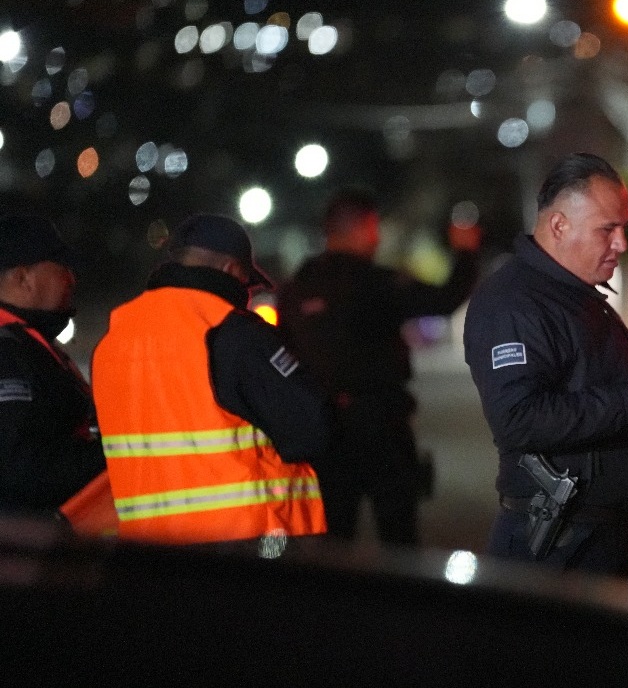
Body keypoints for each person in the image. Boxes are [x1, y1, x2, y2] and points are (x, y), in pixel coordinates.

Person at [463, 152, 628, 577]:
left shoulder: (580, 297)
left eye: (623, 228)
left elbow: (607, 406)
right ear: (559, 225)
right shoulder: (514, 303)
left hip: (603, 536)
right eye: (607, 229)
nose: (622, 243)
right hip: (557, 545)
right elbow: (518, 419)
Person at [92, 213, 329, 553]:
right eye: (247, 285)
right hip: (244, 546)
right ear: (233, 272)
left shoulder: (114, 339)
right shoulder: (233, 332)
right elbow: (310, 429)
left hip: (149, 550)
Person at [277, 188, 479, 547]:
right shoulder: (375, 283)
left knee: (333, 537)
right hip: (381, 423)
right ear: (361, 229)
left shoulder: (296, 288)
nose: (378, 238)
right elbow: (445, 299)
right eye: (373, 229)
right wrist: (465, 251)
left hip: (322, 429)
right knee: (398, 533)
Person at [0, 215, 105, 518]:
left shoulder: (25, 343)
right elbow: (24, 471)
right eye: (62, 268)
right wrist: (116, 452)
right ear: (23, 278)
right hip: (26, 551)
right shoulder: (8, 352)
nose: (71, 279)